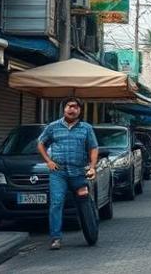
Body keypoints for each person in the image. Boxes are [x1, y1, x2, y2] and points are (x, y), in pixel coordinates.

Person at [37, 97, 99, 251]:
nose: (73, 109)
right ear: (63, 109)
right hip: (59, 173)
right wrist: (48, 161)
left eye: (77, 107)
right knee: (56, 203)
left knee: (84, 202)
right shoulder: (53, 127)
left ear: (80, 110)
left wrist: (92, 167)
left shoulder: (86, 128)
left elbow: (93, 148)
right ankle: (56, 238)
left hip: (78, 172)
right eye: (70, 106)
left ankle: (91, 233)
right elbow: (40, 143)